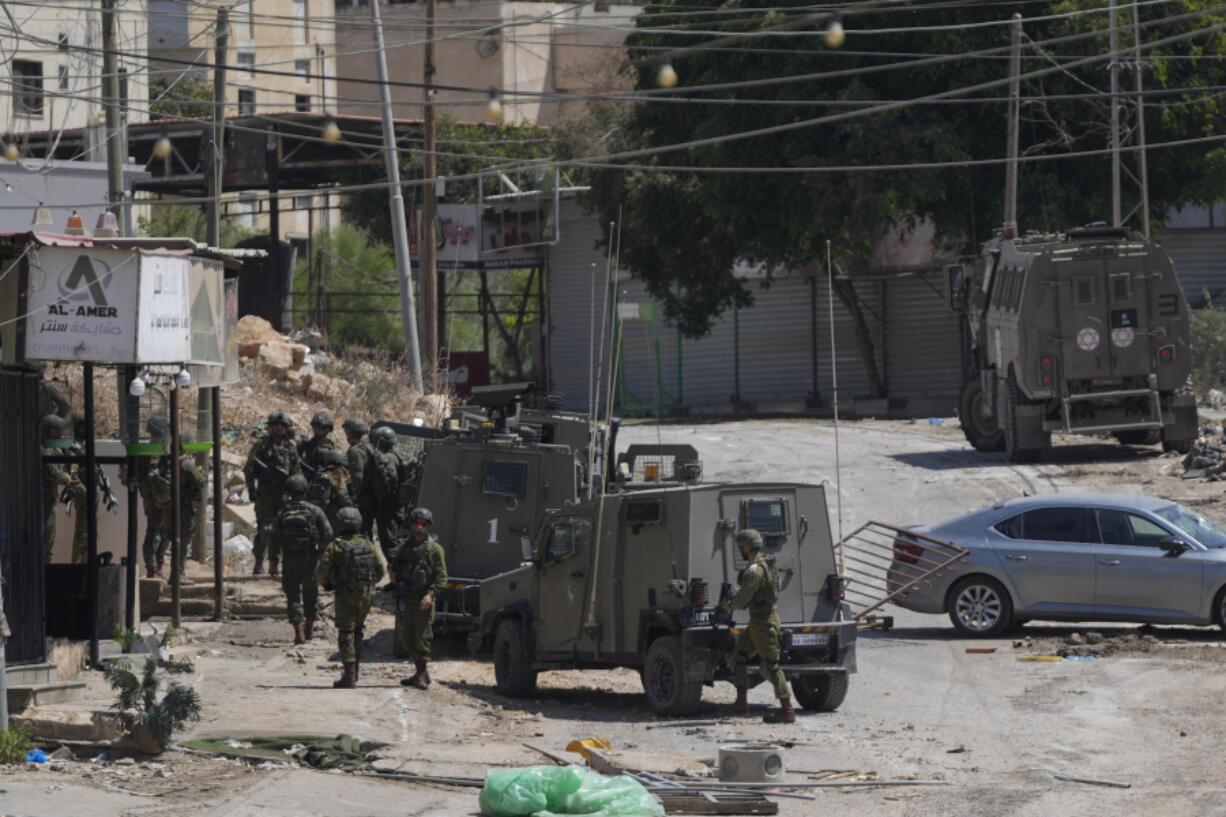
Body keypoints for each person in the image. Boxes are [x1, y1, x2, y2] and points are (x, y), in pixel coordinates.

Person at [723, 528, 794, 723]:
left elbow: (743, 598)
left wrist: (730, 606)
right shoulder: (766, 564)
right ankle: (741, 703)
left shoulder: (755, 570)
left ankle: (787, 710)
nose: (739, 551)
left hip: (764, 622)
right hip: (758, 621)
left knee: (770, 666)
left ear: (746, 547)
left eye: (740, 547)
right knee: (738, 657)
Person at [316, 506, 384, 688]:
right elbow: (380, 569)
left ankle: (349, 675)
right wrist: (368, 584)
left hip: (345, 594)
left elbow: (322, 570)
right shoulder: (367, 543)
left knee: (346, 632)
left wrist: (327, 583)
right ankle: (356, 671)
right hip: (366, 594)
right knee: (358, 631)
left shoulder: (335, 545)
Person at [272, 473, 332, 644]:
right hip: (311, 559)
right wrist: (319, 548)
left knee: (292, 596)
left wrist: (273, 562)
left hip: (290, 559)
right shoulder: (315, 510)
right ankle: (309, 629)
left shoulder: (283, 512)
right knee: (311, 594)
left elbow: (275, 539)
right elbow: (328, 534)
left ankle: (298, 632)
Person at [393, 507, 447, 690]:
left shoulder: (434, 549)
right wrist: (392, 574)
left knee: (422, 638)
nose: (419, 527)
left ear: (428, 526)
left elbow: (442, 577)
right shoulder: (405, 547)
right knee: (408, 638)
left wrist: (430, 595)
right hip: (408, 598)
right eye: (416, 523)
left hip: (424, 599)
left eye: (422, 524)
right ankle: (420, 672)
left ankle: (422, 675)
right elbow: (394, 566)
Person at [244, 411, 301, 577]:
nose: (279, 428)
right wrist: (252, 490)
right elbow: (249, 468)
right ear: (269, 427)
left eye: (282, 425)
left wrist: (294, 489)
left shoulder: (291, 447)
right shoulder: (261, 445)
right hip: (266, 494)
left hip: (284, 495)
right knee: (265, 529)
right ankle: (259, 563)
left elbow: (297, 471)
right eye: (275, 425)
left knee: (285, 530)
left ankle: (277, 564)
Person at [120, 417, 170, 578]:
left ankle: (158, 567)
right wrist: (160, 496)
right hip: (155, 497)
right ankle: (152, 568)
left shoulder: (158, 448)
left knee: (163, 533)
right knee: (155, 532)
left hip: (158, 496)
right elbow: (152, 477)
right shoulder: (154, 450)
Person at [160, 430, 207, 580]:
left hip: (167, 506)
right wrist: (202, 472)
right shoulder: (186, 463)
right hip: (183, 508)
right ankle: (178, 573)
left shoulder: (165, 461)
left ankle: (168, 570)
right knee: (183, 538)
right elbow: (201, 481)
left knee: (172, 538)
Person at [371, 426, 409, 562]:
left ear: (380, 442)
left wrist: (382, 493)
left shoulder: (388, 457)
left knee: (389, 542)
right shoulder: (400, 454)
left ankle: (398, 576)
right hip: (398, 505)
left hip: (390, 505)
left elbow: (390, 480)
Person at [40, 414, 75, 562]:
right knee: (46, 538)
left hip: (49, 499)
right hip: (44, 502)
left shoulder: (51, 448)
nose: (60, 434)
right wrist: (65, 478)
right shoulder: (45, 449)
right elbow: (51, 471)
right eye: (56, 431)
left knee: (49, 538)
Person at [342, 417, 377, 539]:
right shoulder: (370, 447)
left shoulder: (355, 451)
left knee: (361, 536)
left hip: (362, 500)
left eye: (347, 432)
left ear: (352, 433)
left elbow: (357, 478)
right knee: (366, 533)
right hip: (371, 498)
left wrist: (351, 500)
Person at [306, 447, 355, 532]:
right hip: (332, 513)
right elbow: (342, 494)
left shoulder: (321, 473)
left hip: (319, 512)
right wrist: (351, 507)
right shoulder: (338, 473)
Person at [68, 412, 92, 564]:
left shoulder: (85, 445)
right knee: (83, 534)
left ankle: (87, 565)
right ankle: (77, 567)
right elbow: (72, 475)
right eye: (83, 427)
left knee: (91, 533)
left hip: (90, 493)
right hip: (83, 495)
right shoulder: (73, 447)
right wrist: (84, 491)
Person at [298, 412, 340, 480]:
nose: (319, 430)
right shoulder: (306, 444)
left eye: (323, 427)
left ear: (328, 429)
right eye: (316, 426)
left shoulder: (333, 449)